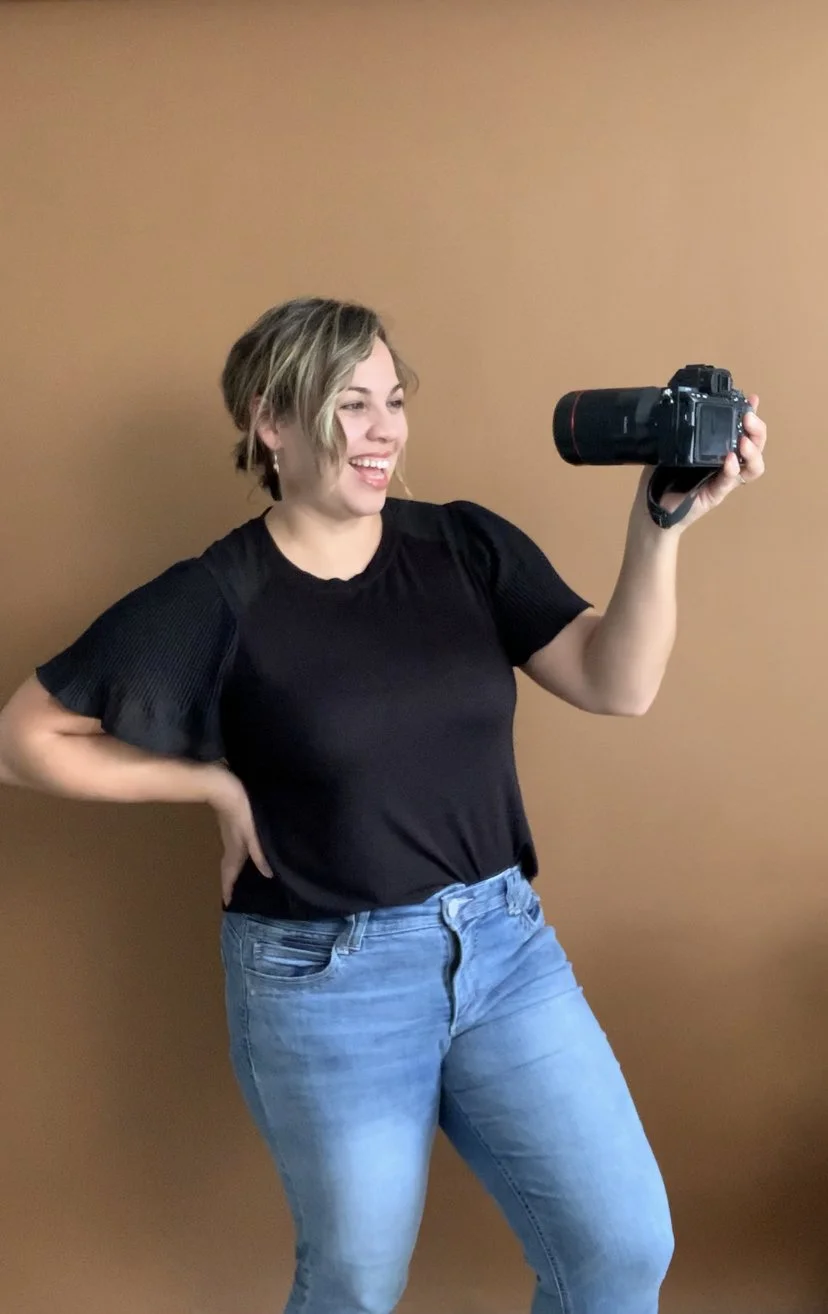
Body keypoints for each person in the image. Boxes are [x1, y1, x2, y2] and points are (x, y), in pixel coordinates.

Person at [0, 297, 767, 1314]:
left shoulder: (463, 546)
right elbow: (23, 739)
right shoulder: (218, 594)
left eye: (393, 400)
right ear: (271, 423)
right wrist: (211, 783)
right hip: (327, 975)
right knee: (357, 1283)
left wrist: (659, 528)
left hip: (501, 949)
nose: (382, 430)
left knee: (621, 1248)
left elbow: (614, 682)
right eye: (349, 404)